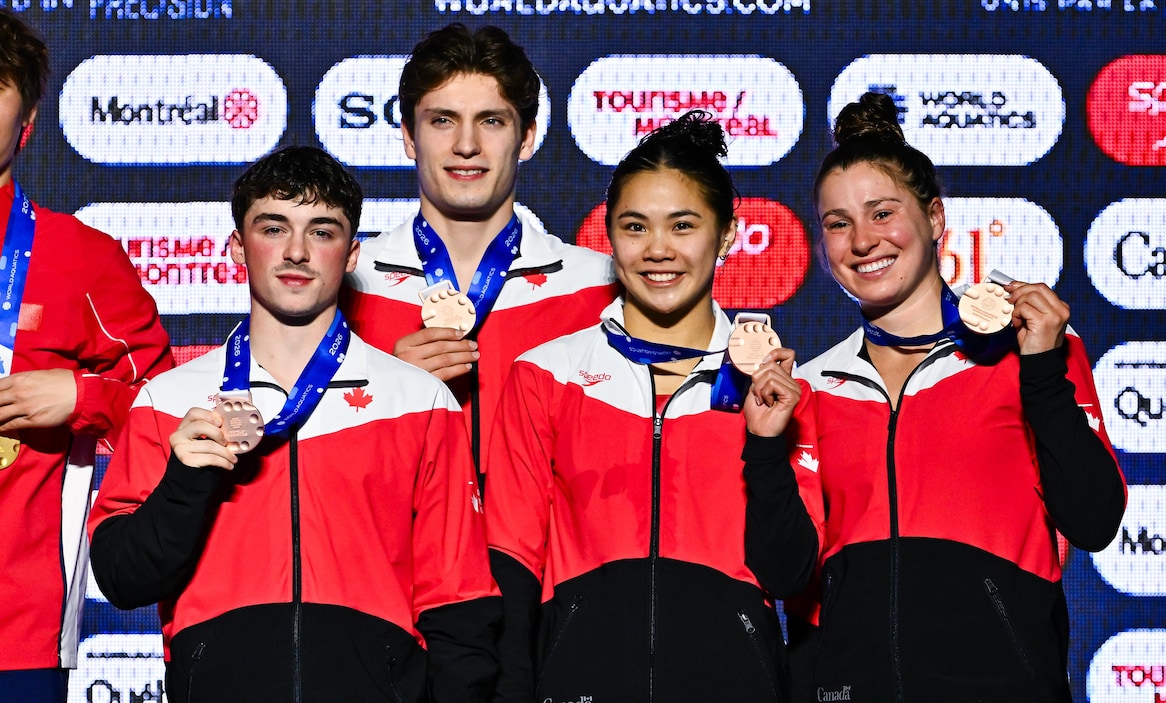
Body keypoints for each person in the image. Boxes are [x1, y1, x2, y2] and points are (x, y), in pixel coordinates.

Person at [88, 146, 499, 702]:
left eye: (322, 232)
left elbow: (459, 599)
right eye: (274, 227)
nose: (297, 252)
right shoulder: (170, 400)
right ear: (237, 247)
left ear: (351, 254)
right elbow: (121, 579)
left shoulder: (417, 401)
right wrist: (185, 484)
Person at [794, 92, 1126, 701]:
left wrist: (1044, 369)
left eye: (882, 212)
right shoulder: (811, 386)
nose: (861, 240)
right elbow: (796, 579)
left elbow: (1094, 519)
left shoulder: (1032, 349)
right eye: (837, 223)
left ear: (936, 218)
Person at [486, 111, 824, 703]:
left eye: (683, 225)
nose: (659, 250)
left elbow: (790, 575)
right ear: (608, 237)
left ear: (725, 235)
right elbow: (512, 563)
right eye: (635, 226)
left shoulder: (776, 388)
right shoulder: (545, 375)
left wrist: (766, 444)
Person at [341, 23, 616, 484]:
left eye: (491, 120)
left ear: (526, 137)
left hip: (541, 556)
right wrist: (388, 393)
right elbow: (294, 465)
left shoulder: (597, 286)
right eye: (442, 120)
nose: (466, 145)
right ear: (409, 136)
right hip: (396, 554)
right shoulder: (346, 281)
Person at [0, 10, 173, 702]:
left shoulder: (82, 258)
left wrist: (84, 396)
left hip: (17, 630)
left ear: (28, 121)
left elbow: (166, 403)